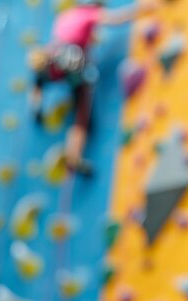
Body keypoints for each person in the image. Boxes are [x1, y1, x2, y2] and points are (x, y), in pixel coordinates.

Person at [27, 0, 158, 176]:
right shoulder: (90, 13)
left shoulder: (65, 16)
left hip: (53, 59)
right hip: (71, 63)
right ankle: (74, 155)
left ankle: (36, 105)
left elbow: (74, 36)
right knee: (81, 114)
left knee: (40, 81)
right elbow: (115, 19)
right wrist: (143, 9)